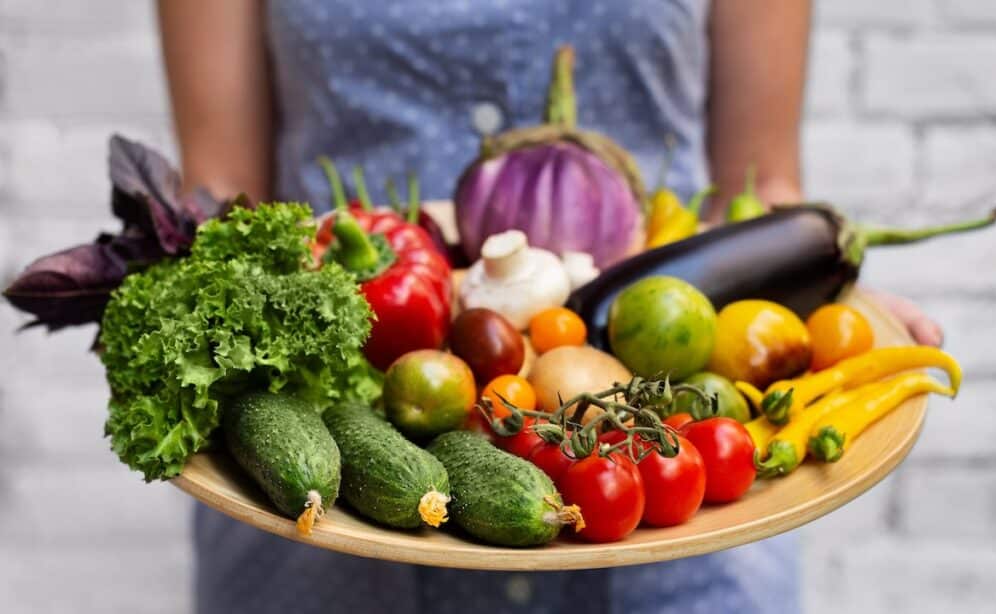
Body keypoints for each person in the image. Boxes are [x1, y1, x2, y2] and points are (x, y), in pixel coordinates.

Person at [158, 2, 941, 613]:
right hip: (325, 522)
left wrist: (834, 291)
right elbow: (222, 187)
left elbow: (764, 185)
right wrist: (169, 292)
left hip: (676, 532)